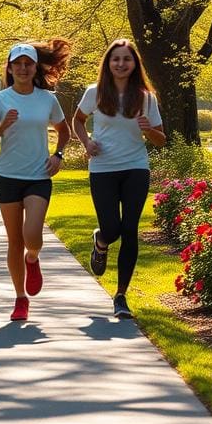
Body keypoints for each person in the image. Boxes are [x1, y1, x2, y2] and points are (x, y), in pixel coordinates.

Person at [73, 38, 166, 319]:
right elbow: (77, 120)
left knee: (129, 230)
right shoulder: (95, 92)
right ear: (108, 63)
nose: (121, 64)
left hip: (136, 167)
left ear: (135, 63)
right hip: (102, 168)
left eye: (127, 59)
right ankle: (101, 241)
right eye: (116, 59)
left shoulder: (146, 98)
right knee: (112, 229)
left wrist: (149, 129)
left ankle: (121, 295)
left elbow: (161, 140)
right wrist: (86, 142)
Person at [0, 40, 71, 322]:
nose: (22, 68)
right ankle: (20, 299)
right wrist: (1, 126)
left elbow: (63, 130)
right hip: (8, 176)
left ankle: (33, 258)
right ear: (9, 67)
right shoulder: (0, 100)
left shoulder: (47, 99)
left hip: (38, 176)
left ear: (35, 68)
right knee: (14, 241)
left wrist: (58, 155)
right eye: (17, 64)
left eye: (27, 64)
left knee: (32, 236)